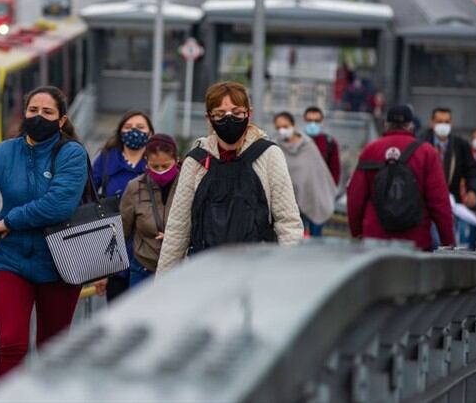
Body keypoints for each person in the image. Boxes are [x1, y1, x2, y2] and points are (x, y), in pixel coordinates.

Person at [0, 86, 88, 378]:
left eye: (47, 112)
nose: (39, 117)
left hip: (60, 263)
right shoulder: (5, 152)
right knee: (11, 342)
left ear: (61, 120)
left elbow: (58, 205)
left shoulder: (72, 153)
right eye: (33, 110)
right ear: (24, 113)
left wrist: (10, 221)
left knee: (53, 349)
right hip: (11, 260)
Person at [157, 81, 303, 273]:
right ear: (209, 118)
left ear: (248, 114)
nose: (229, 119)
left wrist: (290, 276)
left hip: (256, 272)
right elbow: (178, 229)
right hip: (204, 273)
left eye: (236, 112)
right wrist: (164, 283)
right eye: (219, 114)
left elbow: (288, 222)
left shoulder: (268, 155)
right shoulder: (196, 161)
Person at [347, 105, 454, 251]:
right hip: (416, 241)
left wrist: (357, 232)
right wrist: (448, 242)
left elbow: (355, 197)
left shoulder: (370, 150)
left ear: (386, 125)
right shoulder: (426, 152)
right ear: (411, 126)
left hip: (375, 240)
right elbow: (440, 202)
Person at [90, 110, 154, 300]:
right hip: (112, 249)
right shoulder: (106, 159)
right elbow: (89, 194)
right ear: (119, 131)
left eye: (140, 127)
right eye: (128, 127)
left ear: (150, 133)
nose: (134, 131)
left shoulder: (157, 161)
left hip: (148, 253)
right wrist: (100, 269)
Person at [119, 134, 180, 288]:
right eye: (155, 166)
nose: (160, 171)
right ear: (146, 163)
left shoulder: (188, 185)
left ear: (176, 160)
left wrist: (176, 238)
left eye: (165, 166)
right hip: (143, 269)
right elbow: (122, 232)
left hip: (179, 269)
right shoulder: (135, 187)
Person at [273, 112, 338, 237]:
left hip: (313, 199)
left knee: (315, 240)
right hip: (290, 204)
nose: (282, 130)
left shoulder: (308, 145)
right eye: (278, 127)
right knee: (295, 238)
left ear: (293, 125)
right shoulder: (275, 147)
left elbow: (319, 173)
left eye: (285, 126)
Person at [420, 108, 476, 209]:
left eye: (447, 122)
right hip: (425, 199)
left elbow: (472, 170)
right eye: (439, 121)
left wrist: (472, 190)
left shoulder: (460, 145)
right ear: (432, 123)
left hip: (452, 199)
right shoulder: (421, 143)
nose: (443, 125)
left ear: (451, 123)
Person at [303, 106, 342, 185]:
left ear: (322, 121)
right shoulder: (296, 141)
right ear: (304, 121)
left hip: (322, 186)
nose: (313, 124)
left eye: (317, 121)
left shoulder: (330, 143)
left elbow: (335, 169)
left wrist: (332, 188)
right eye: (309, 120)